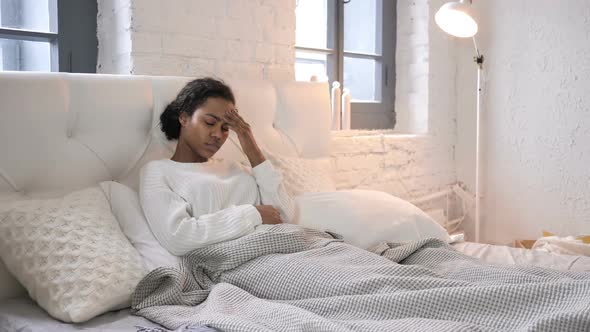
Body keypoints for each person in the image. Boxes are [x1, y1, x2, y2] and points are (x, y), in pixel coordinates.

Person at [139, 77, 294, 256]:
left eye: (226, 128)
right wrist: (253, 214)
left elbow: (284, 215)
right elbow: (178, 237)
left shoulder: (237, 167)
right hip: (248, 258)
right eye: (210, 123)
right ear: (184, 117)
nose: (218, 135)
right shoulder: (158, 171)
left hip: (293, 245)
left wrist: (250, 144)